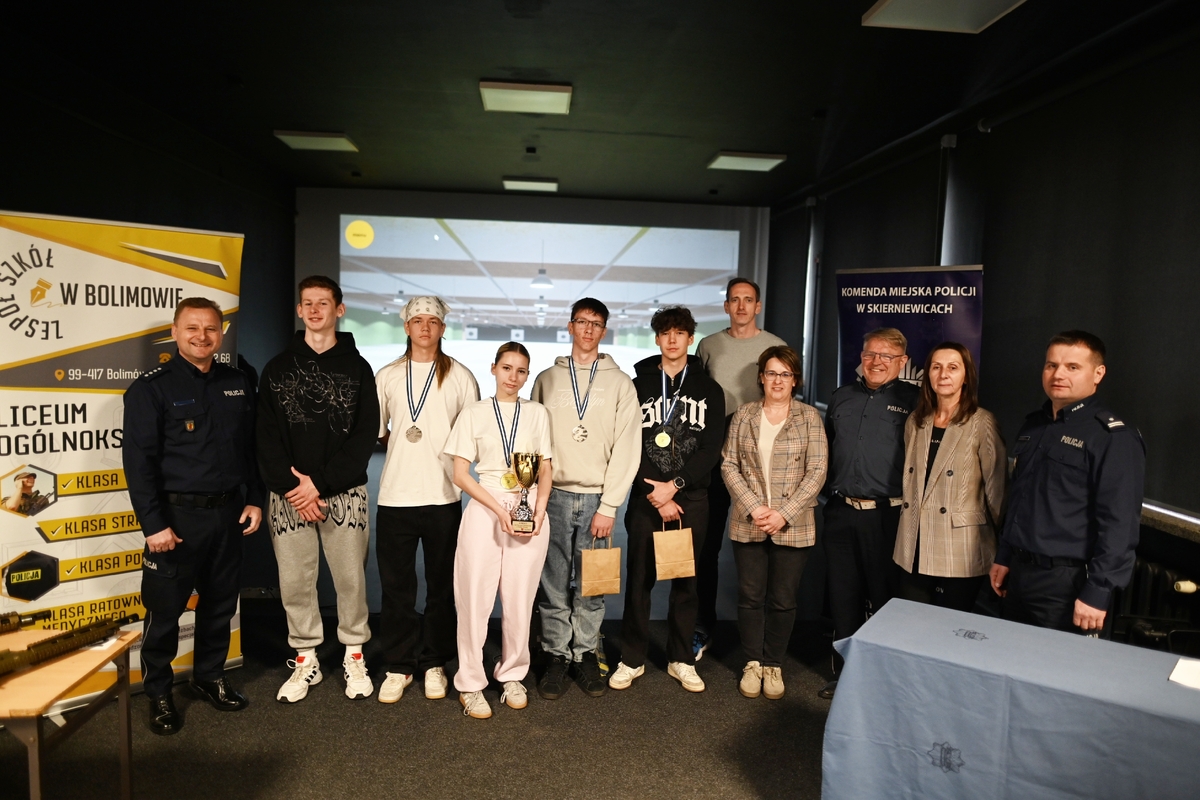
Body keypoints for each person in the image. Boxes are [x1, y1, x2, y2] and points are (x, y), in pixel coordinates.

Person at [122, 297, 264, 735]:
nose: (202, 336)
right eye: (192, 328)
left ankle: (209, 677)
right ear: (175, 332)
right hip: (176, 520)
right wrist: (153, 525)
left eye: (210, 329)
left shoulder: (237, 382)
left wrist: (255, 498)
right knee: (165, 612)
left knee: (220, 605)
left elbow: (251, 449)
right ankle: (159, 692)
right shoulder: (151, 389)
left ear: (220, 333)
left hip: (229, 514)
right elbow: (138, 464)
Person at [257, 275, 380, 703]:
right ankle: (305, 658)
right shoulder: (276, 368)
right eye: (307, 303)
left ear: (339, 310)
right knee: (295, 582)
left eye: (322, 303)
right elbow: (265, 437)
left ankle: (354, 656)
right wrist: (297, 488)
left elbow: (364, 437)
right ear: (299, 310)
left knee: (351, 581)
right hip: (289, 497)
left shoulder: (359, 369)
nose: (314, 310)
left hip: (343, 494)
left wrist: (320, 485)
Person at [990, 330, 1145, 634]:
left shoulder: (1112, 437)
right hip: (1019, 573)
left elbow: (1119, 524)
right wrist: (1005, 555)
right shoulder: (1034, 425)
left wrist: (1098, 590)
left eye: (1073, 367)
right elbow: (1019, 500)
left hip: (1066, 583)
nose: (1058, 374)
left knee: (1052, 664)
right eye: (1052, 365)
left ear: (1098, 373)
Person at [609, 306, 725, 694]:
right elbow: (627, 441)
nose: (672, 339)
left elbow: (710, 448)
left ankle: (680, 658)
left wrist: (674, 485)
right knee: (639, 581)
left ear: (691, 339)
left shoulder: (709, 389)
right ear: (657, 338)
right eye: (665, 333)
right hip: (647, 499)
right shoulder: (637, 385)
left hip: (691, 499)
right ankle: (631, 659)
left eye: (680, 333)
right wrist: (655, 493)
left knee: (686, 582)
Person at [531, 298, 641, 699]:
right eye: (582, 322)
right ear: (570, 326)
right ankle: (556, 655)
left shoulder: (620, 383)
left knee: (593, 582)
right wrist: (535, 496)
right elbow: (532, 437)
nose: (588, 329)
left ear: (604, 331)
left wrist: (610, 505)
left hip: (597, 499)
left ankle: (585, 653)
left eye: (596, 323)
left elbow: (628, 446)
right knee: (553, 582)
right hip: (554, 495)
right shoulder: (547, 379)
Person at [374, 296, 479, 704]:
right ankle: (399, 665)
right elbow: (378, 430)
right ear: (406, 327)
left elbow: (473, 435)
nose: (424, 327)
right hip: (395, 497)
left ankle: (435, 662)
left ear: (442, 329)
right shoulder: (388, 375)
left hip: (443, 497)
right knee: (396, 589)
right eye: (417, 320)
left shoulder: (461, 377)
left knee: (441, 587)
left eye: (432, 321)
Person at [444, 342, 554, 719]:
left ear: (527, 375)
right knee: (474, 598)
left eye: (521, 371)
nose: (513, 377)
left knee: (520, 599)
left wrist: (539, 511)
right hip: (486, 506)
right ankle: (470, 682)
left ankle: (512, 674)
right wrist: (497, 509)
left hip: (528, 509)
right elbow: (460, 474)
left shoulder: (537, 413)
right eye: (507, 368)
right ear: (493, 368)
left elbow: (545, 469)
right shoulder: (474, 413)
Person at [721, 346, 826, 700]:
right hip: (749, 520)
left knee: (783, 599)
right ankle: (753, 662)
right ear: (761, 377)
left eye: (785, 374)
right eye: (771, 373)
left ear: (794, 380)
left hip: (793, 523)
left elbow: (817, 471)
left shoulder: (810, 418)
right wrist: (754, 508)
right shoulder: (744, 415)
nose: (777, 380)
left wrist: (783, 513)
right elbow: (728, 465)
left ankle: (773, 663)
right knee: (750, 596)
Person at [820, 327, 918, 699]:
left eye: (886, 356)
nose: (876, 362)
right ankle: (847, 677)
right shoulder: (841, 397)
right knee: (843, 598)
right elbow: (828, 450)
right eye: (870, 354)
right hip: (841, 512)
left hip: (887, 517)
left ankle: (882, 681)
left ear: (902, 361)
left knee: (885, 600)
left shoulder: (915, 401)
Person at [693, 278, 787, 659]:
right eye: (735, 300)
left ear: (758, 306)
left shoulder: (775, 345)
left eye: (749, 300)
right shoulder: (708, 346)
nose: (742, 306)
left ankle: (766, 637)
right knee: (707, 547)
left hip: (762, 461)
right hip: (717, 457)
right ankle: (702, 626)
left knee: (766, 546)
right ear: (727, 306)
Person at [893, 343, 1006, 611]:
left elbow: (997, 492)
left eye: (953, 368)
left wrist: (1004, 549)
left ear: (966, 376)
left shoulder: (982, 422)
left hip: (960, 548)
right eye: (936, 367)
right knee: (911, 624)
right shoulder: (916, 421)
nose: (943, 374)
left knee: (950, 629)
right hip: (913, 544)